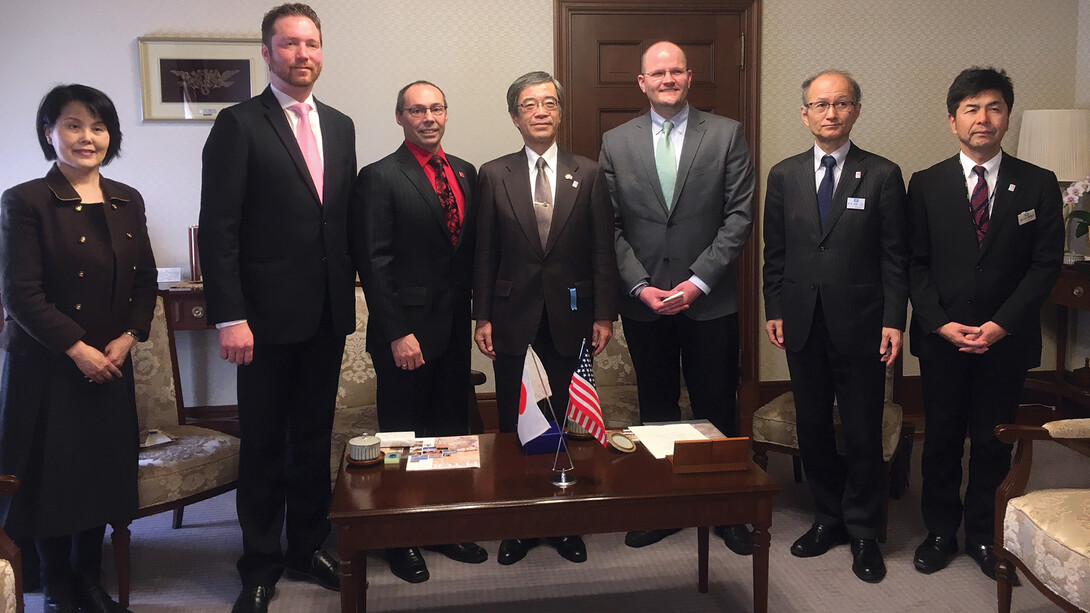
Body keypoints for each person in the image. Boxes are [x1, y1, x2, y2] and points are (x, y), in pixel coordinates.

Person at [198, 4, 357, 612]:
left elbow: (333, 221)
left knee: (314, 438)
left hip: (325, 315)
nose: (303, 54)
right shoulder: (238, 124)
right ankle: (260, 560)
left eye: (312, 43)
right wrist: (229, 315)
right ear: (267, 53)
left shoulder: (340, 125)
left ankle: (308, 544)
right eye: (289, 44)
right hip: (260, 322)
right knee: (264, 441)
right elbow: (220, 229)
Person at [0, 83, 156, 613]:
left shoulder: (126, 198)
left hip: (110, 364)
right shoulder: (25, 200)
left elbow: (146, 281)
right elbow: (20, 294)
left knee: (99, 477)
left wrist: (127, 337)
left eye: (98, 126)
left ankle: (91, 579)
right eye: (73, 124)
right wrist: (78, 349)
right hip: (46, 367)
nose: (87, 137)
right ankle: (58, 587)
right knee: (50, 479)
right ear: (50, 133)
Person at [599, 40, 755, 554]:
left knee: (716, 408)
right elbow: (610, 225)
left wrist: (696, 282)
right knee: (656, 409)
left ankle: (726, 510)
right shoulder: (615, 142)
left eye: (676, 71)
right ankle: (664, 506)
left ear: (689, 78)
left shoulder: (727, 134)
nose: (667, 79)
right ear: (641, 83)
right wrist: (639, 286)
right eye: (657, 73)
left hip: (709, 301)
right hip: (645, 304)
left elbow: (739, 217)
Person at [907, 67, 1062, 580]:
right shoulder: (926, 184)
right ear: (952, 121)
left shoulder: (1037, 184)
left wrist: (1001, 325)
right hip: (943, 339)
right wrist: (939, 323)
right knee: (944, 438)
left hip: (1006, 340)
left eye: (993, 108)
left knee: (993, 440)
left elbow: (1045, 266)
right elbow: (914, 263)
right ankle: (937, 532)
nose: (983, 118)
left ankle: (982, 535)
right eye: (971, 109)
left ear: (1007, 117)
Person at [762, 71, 908, 584]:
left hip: (864, 325)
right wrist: (773, 307)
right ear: (804, 113)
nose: (831, 113)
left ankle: (864, 529)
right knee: (814, 427)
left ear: (856, 110)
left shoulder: (884, 174)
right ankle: (829, 517)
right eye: (820, 104)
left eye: (841, 103)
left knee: (864, 429)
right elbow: (773, 252)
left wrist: (895, 320)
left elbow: (895, 258)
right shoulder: (784, 175)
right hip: (801, 323)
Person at [474, 71, 617, 566]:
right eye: (530, 104)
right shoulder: (493, 174)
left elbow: (603, 250)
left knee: (562, 420)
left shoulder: (590, 173)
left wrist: (604, 314)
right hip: (512, 315)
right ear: (515, 116)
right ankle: (518, 523)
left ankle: (561, 523)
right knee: (520, 423)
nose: (540, 112)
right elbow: (484, 253)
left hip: (572, 316)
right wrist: (482, 316)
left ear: (560, 112)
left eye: (549, 103)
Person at [355, 80, 487, 583]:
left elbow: (469, 254)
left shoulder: (465, 173)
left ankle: (445, 525)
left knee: (450, 433)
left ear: (446, 115)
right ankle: (398, 537)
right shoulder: (379, 177)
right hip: (404, 334)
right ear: (399, 117)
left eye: (436, 108)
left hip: (453, 330)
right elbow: (375, 261)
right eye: (416, 110)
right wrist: (396, 332)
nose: (427, 117)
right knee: (402, 437)